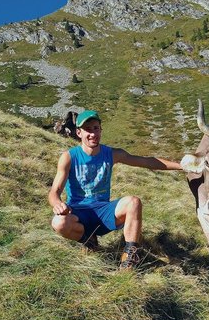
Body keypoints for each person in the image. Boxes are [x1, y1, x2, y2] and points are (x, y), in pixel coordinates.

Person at [48, 110, 182, 270]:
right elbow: (54, 192)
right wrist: (57, 203)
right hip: (78, 213)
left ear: (101, 130)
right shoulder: (69, 157)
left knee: (134, 202)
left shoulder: (111, 154)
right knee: (58, 222)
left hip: (103, 212)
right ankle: (88, 239)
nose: (93, 133)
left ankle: (129, 257)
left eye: (96, 128)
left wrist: (182, 166)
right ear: (79, 132)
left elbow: (147, 162)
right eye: (88, 129)